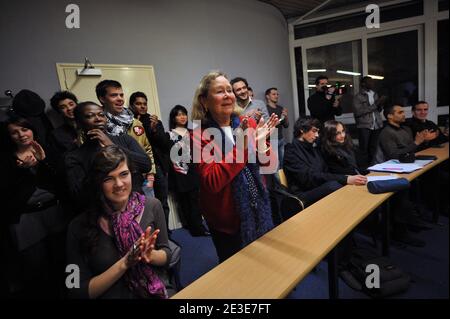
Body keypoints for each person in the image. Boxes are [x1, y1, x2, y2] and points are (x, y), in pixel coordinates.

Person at [191, 71, 279, 262]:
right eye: (219, 91)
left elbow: (269, 166)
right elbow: (212, 181)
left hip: (259, 210)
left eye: (229, 90)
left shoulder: (248, 123)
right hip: (227, 223)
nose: (227, 95)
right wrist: (244, 147)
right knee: (238, 276)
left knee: (266, 267)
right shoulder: (198, 136)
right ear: (204, 101)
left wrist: (262, 144)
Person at [66, 145, 174, 298]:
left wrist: (150, 255)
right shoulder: (78, 226)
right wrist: (125, 263)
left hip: (155, 292)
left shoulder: (152, 206)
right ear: (97, 183)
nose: (119, 184)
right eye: (108, 178)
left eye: (124, 174)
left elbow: (167, 254)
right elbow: (75, 288)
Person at [0, 114, 65, 297]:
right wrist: (21, 170)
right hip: (25, 217)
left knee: (63, 258)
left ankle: (70, 291)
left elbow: (61, 181)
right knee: (35, 265)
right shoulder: (6, 159)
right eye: (14, 132)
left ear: (32, 130)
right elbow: (4, 192)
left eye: (24, 129)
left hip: (54, 210)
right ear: (9, 137)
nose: (21, 135)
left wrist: (43, 162)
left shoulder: (48, 150)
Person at [64, 102, 151, 210]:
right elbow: (79, 194)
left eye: (101, 114)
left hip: (136, 206)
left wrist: (112, 145)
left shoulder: (125, 139)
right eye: (90, 116)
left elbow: (146, 165)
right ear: (79, 123)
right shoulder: (74, 157)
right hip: (102, 213)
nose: (98, 119)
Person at [283, 117, 367, 209]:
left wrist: (346, 178)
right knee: (334, 185)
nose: (317, 135)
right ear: (302, 130)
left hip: (318, 188)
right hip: (302, 195)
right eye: (314, 131)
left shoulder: (313, 149)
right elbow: (309, 178)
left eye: (318, 132)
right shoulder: (291, 152)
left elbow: (325, 172)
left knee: (342, 184)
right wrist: (345, 179)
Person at [95, 80, 156, 200]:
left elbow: (147, 148)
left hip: (139, 178)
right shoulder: (98, 124)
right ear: (102, 98)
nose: (120, 99)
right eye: (114, 95)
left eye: (121, 95)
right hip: (113, 184)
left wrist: (150, 175)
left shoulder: (135, 123)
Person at [129, 91, 172, 226]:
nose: (142, 106)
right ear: (131, 105)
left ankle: (165, 233)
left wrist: (154, 130)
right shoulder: (128, 122)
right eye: (138, 104)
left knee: (162, 202)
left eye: (144, 104)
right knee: (143, 205)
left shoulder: (154, 121)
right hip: (137, 169)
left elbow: (165, 144)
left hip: (157, 167)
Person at [168, 105, 210, 237]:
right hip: (179, 172)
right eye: (179, 114)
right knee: (183, 202)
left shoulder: (193, 132)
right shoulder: (169, 134)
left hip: (194, 170)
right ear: (174, 118)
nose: (182, 117)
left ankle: (199, 228)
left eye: (184, 114)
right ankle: (190, 226)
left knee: (196, 200)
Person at [353, 76, 387, 167]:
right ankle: (364, 168)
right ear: (363, 84)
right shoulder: (358, 97)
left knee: (373, 148)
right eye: (370, 82)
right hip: (364, 125)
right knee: (364, 149)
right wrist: (376, 104)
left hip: (376, 124)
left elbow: (377, 110)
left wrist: (381, 104)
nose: (373, 83)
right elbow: (358, 112)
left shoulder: (375, 94)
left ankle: (373, 167)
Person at [48, 91, 80, 158]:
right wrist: (75, 146)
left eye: (71, 104)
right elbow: (60, 159)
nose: (69, 108)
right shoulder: (56, 134)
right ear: (59, 112)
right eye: (63, 107)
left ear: (77, 105)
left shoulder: (90, 125)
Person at [265, 87, 289, 167]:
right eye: (274, 94)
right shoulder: (265, 109)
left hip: (281, 139)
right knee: (274, 165)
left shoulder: (280, 108)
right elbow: (265, 127)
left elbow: (286, 125)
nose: (276, 96)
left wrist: (286, 116)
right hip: (271, 141)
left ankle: (283, 179)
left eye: (277, 94)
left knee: (282, 164)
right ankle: (278, 180)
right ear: (267, 96)